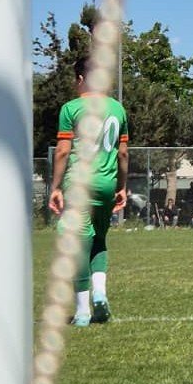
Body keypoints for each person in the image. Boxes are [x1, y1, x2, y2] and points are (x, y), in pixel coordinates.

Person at [47, 58, 128, 327]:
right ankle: (100, 293)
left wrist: (55, 187)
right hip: (107, 183)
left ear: (81, 79)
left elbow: (62, 151)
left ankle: (82, 311)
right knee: (99, 239)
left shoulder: (71, 108)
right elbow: (123, 153)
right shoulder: (117, 108)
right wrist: (121, 186)